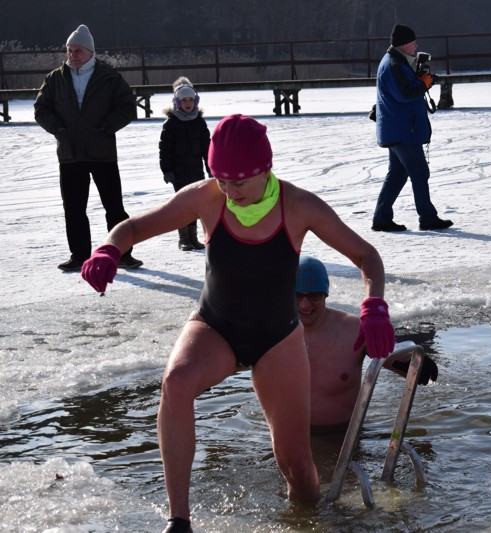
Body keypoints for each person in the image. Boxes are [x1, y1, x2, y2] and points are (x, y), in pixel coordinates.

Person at [80, 114, 396, 533]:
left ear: (264, 168)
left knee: (297, 466)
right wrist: (108, 249)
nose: (230, 192)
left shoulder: (298, 205)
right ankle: (179, 520)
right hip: (216, 326)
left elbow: (367, 256)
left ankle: (308, 520)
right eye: (222, 180)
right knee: (175, 382)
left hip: (277, 338)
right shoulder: (206, 197)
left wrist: (374, 305)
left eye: (239, 183)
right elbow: (134, 227)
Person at [34, 24, 142, 271]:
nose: (72, 54)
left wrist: (107, 127)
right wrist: (57, 128)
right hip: (70, 154)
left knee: (114, 207)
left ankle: (123, 254)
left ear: (91, 52)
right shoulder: (55, 79)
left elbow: (127, 106)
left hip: (102, 152)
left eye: (78, 50)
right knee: (73, 208)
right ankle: (79, 255)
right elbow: (41, 109)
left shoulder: (109, 77)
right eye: (69, 50)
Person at [295, 255, 438, 434]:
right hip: (288, 440)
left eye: (314, 296)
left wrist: (415, 365)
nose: (304, 304)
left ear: (325, 294)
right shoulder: (273, 333)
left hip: (343, 439)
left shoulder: (354, 330)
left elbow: (390, 358)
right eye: (297, 295)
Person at [372, 24, 453, 232]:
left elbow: (403, 91)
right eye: (413, 42)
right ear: (404, 44)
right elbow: (405, 93)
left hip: (397, 128)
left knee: (397, 174)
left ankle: (381, 217)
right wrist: (423, 84)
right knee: (419, 172)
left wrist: (421, 80)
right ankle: (427, 217)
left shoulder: (396, 62)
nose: (416, 45)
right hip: (403, 131)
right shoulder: (394, 64)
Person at [159, 76, 211, 251]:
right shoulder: (171, 123)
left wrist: (211, 169)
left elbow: (207, 149)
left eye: (190, 99)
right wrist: (167, 170)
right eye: (183, 100)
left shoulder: (199, 121)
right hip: (178, 173)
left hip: (196, 171)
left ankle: (194, 238)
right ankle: (183, 238)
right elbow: (164, 150)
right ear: (177, 102)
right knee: (182, 205)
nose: (187, 103)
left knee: (196, 205)